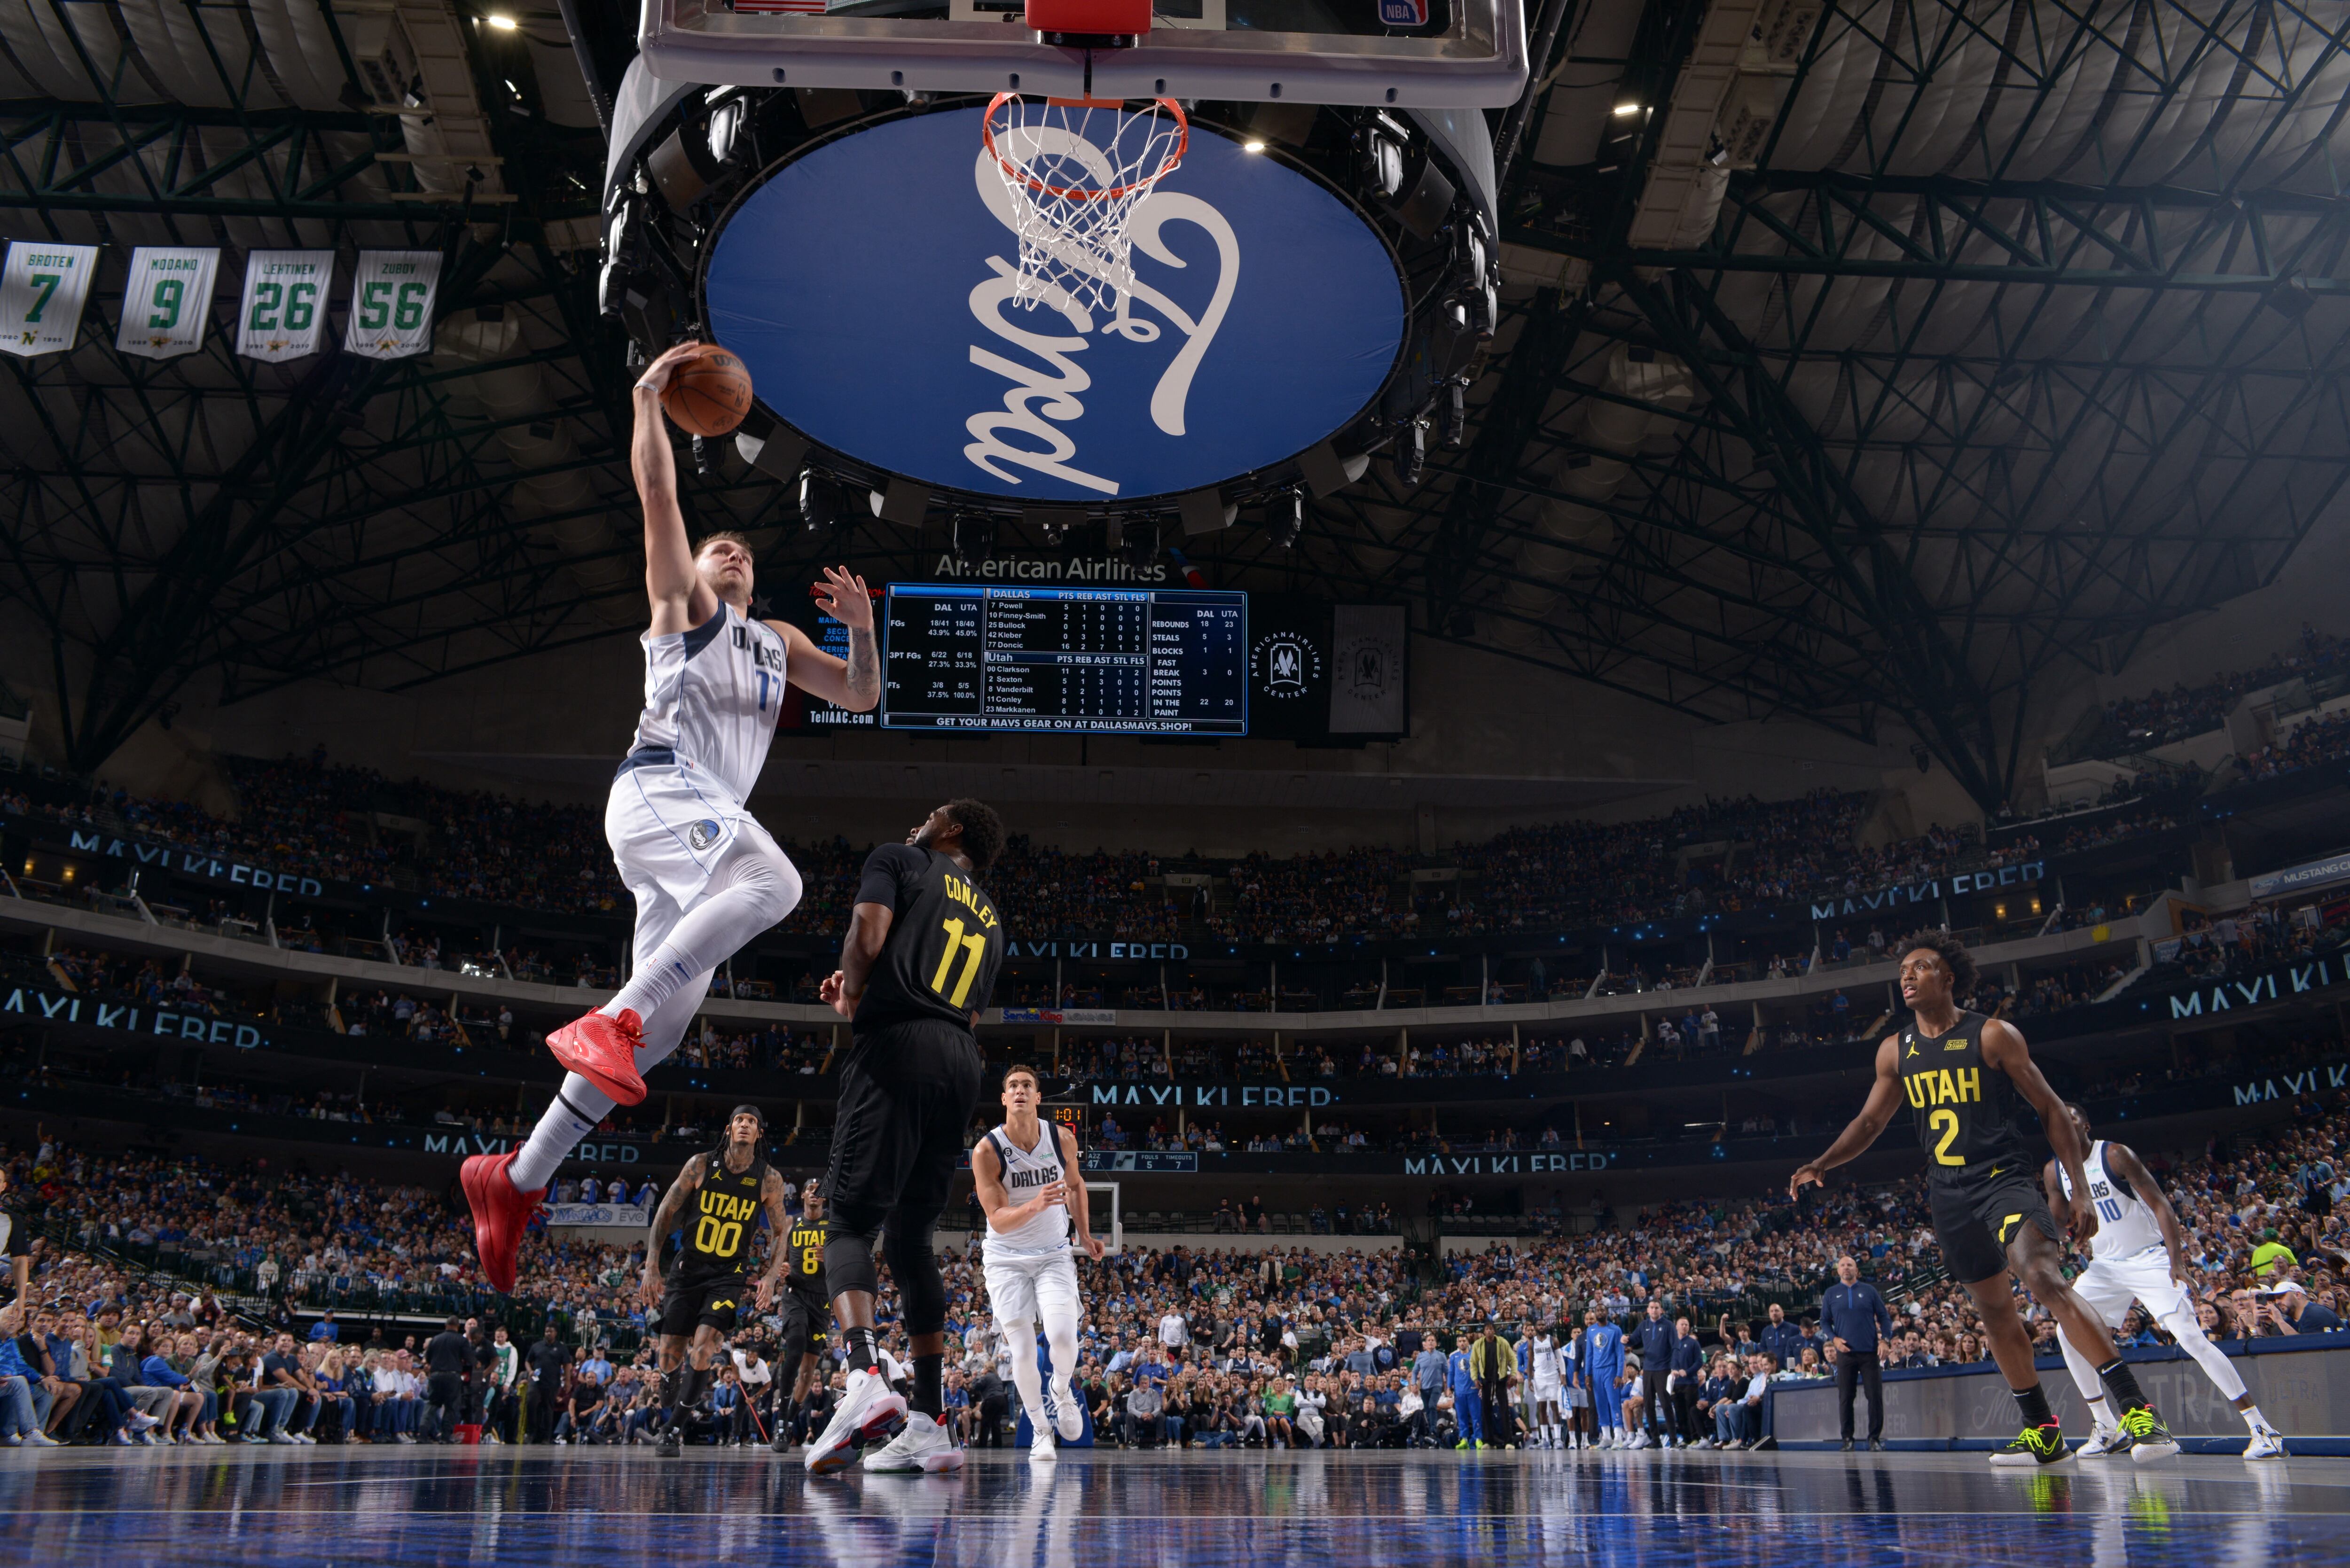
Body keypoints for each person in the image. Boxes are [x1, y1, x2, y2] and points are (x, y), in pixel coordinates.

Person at [458, 338, 880, 1293]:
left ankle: (514, 1182)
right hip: (656, 787)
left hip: (692, 834)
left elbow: (859, 697)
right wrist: (649, 393)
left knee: (666, 1031)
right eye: (713, 543)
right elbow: (658, 498)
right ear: (690, 568)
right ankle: (610, 1018)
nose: (729, 548)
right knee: (776, 881)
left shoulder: (776, 638)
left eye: (742, 548)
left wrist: (858, 625)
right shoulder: (685, 610)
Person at [1792, 929, 2178, 1466]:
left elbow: (2049, 1108)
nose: (1906, 975)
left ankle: (2138, 1413)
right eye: (1902, 969)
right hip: (1947, 1192)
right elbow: (1870, 1120)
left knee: (2041, 1277)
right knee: (1993, 1309)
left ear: (1946, 978)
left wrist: (2079, 1188)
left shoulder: (1993, 1035)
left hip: (2002, 1179)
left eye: (1919, 966)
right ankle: (2042, 1431)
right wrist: (1822, 1162)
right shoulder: (1894, 1049)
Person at [805, 799, 1009, 1477]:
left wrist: (856, 1001)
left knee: (847, 1224)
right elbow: (968, 1010)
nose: (918, 818)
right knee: (912, 1239)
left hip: (898, 1048)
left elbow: (866, 937)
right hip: (960, 1062)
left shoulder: (899, 858)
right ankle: (930, 1419)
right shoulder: (993, 917)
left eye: (932, 813)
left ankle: (864, 1377)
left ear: (948, 830)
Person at [2045, 1104, 2287, 1459]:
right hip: (2104, 1266)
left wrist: (2176, 1261)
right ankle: (2106, 1427)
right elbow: (2057, 1219)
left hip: (2147, 1258)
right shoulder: (2054, 1170)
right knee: (2067, 1331)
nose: (2065, 1123)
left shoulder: (2114, 1154)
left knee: (2191, 1337)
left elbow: (2160, 1205)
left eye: (2072, 1118)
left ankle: (2262, 1428)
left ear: (2087, 1125)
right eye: (2058, 1121)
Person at [638, 1105, 791, 1457]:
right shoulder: (701, 1164)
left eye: (753, 1121)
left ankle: (673, 1430)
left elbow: (781, 1231)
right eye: (740, 1119)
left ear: (759, 1134)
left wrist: (769, 1275)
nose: (745, 1125)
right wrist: (652, 1264)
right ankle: (668, 1377)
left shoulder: (769, 1178)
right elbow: (667, 1209)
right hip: (688, 1268)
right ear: (729, 1128)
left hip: (728, 1274)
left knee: (705, 1348)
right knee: (669, 1354)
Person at [973, 1062, 1104, 1463]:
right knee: (1024, 1352)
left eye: (1027, 1085)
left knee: (1064, 1338)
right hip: (1006, 1258)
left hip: (1053, 1253)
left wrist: (1083, 1232)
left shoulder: (1060, 1137)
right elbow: (997, 1218)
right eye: (1012, 1085)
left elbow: (1077, 1185)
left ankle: (1062, 1391)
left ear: (1038, 1096)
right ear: (1004, 1097)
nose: (1020, 1091)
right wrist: (1035, 1203)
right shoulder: (986, 1151)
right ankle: (1041, 1431)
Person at [771, 1178, 834, 1453]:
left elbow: (852, 1257)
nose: (815, 1195)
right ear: (803, 1196)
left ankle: (786, 1417)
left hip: (821, 1300)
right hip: (795, 1292)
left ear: (825, 1198)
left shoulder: (834, 1224)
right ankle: (782, 1421)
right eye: (810, 1190)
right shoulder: (791, 1223)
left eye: (820, 1192)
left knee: (809, 1371)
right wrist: (779, 1269)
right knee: (794, 1348)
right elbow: (777, 1253)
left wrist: (829, 1257)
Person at [1819, 1255, 1890, 1450]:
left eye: (1850, 1265)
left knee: (1874, 1396)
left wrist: (1885, 1340)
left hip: (1869, 1352)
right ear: (1838, 1271)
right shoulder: (1831, 1293)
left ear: (1857, 1270)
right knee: (1845, 1397)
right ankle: (1847, 1439)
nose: (1846, 1268)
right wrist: (1834, 1339)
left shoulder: (1869, 1291)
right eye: (1842, 1265)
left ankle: (1874, 1438)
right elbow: (1824, 1321)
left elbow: (1885, 1317)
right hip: (1845, 1353)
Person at [423, 1316, 477, 1442]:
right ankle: (446, 1437)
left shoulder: (436, 1339)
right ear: (458, 1327)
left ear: (446, 1326)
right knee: (451, 1407)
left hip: (435, 1375)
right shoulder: (461, 1340)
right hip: (453, 1376)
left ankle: (423, 1434)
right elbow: (470, 1359)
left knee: (432, 1405)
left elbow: (428, 1358)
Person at [1527, 1324, 1567, 1451]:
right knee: (1542, 1408)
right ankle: (1544, 1439)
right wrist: (1529, 1379)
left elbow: (1560, 1359)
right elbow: (1530, 1362)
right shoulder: (1532, 1343)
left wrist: (1563, 1375)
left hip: (1553, 1376)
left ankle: (1558, 1439)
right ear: (1536, 1328)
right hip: (1539, 1377)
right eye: (1539, 1325)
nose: (1541, 1326)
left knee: (1555, 1407)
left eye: (1543, 1324)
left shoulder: (1553, 1340)